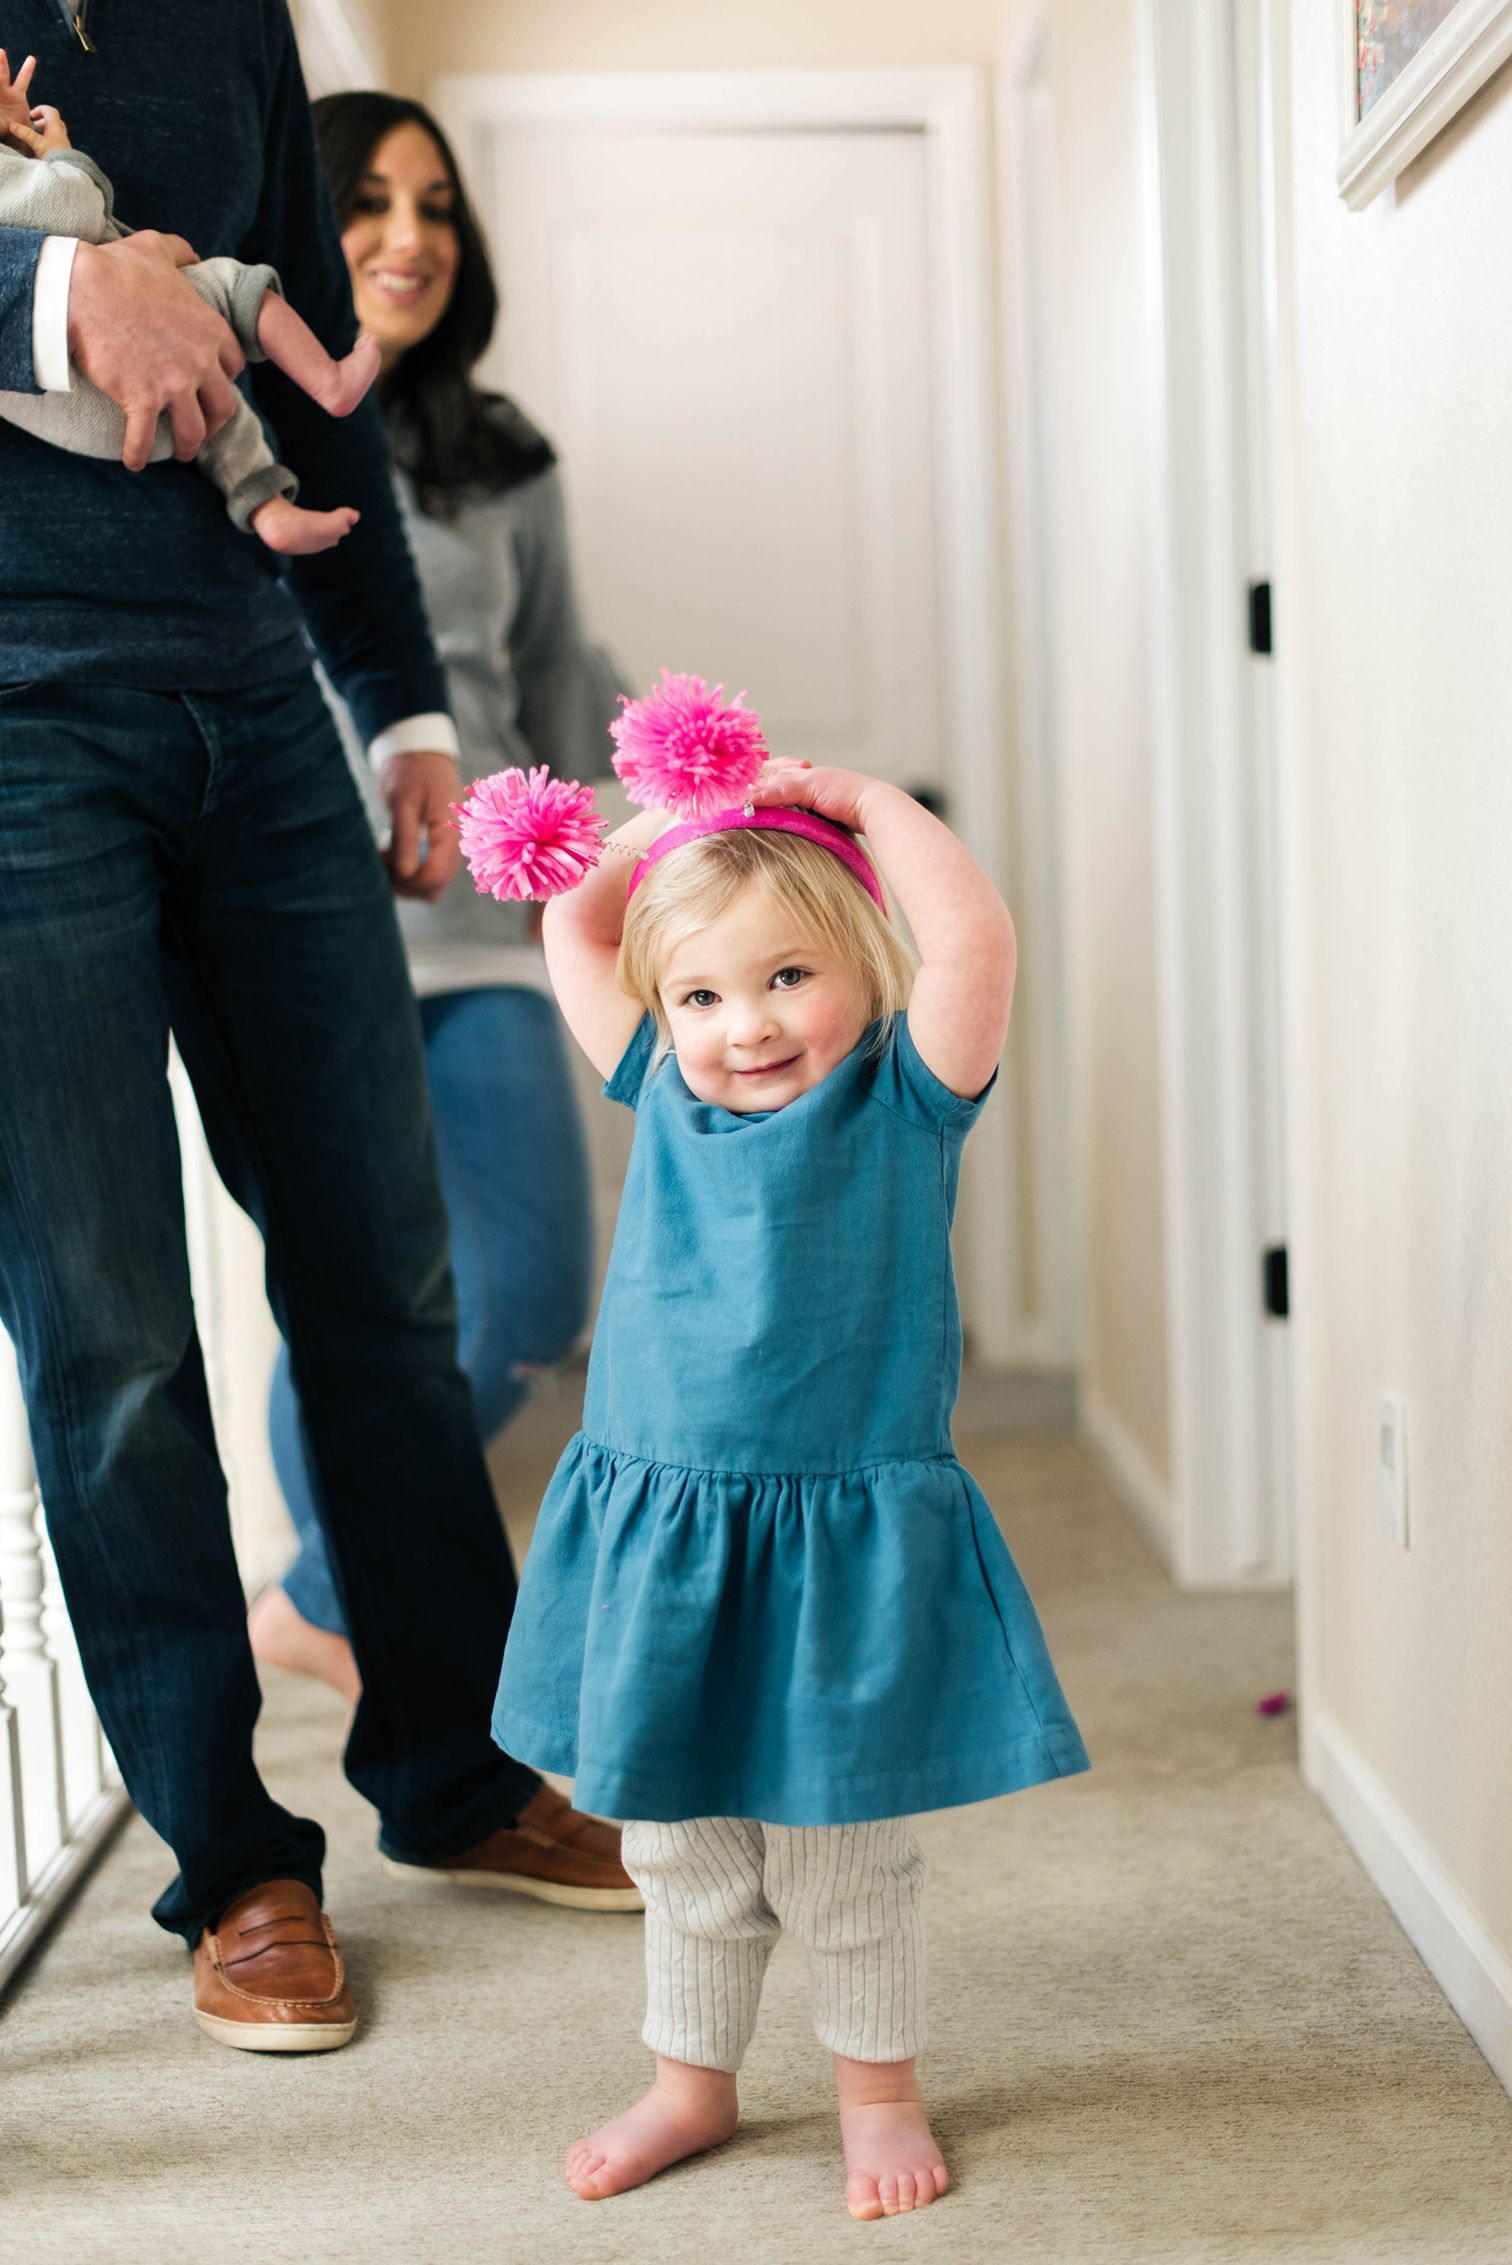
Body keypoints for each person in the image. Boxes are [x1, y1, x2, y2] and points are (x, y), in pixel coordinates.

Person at [0, 0, 633, 2060]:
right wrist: (51, 279)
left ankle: (451, 1761)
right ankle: (234, 1857)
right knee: (105, 1334)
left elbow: (313, 358)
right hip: (14, 727)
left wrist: (408, 700)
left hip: (257, 699)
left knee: (389, 1266)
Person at [488, 683, 1090, 2217]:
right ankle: (690, 2082)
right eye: (701, 996)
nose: (744, 1024)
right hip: (669, 1528)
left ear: (862, 971)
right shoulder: (661, 1094)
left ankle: (876, 2093)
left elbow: (979, 944)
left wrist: (859, 803)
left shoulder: (907, 1099)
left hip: (837, 1536)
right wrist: (673, 818)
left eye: (786, 977)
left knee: (840, 1853)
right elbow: (577, 932)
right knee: (679, 1843)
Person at [247, 90, 615, 1709]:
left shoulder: (502, 454)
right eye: (369, 203)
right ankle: (365, 1617)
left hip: (479, 929)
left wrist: (683, 802)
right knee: (344, 1297)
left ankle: (321, 1593)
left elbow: (554, 690)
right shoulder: (222, 408)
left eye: (436, 207)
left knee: (531, 1288)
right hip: (281, 919)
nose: (409, 236)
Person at [0, 47, 378, 551]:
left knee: (215, 391)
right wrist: (63, 156)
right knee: (229, 287)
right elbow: (74, 209)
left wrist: (16, 145)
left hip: (105, 429)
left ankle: (268, 509)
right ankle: (328, 381)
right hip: (100, 408)